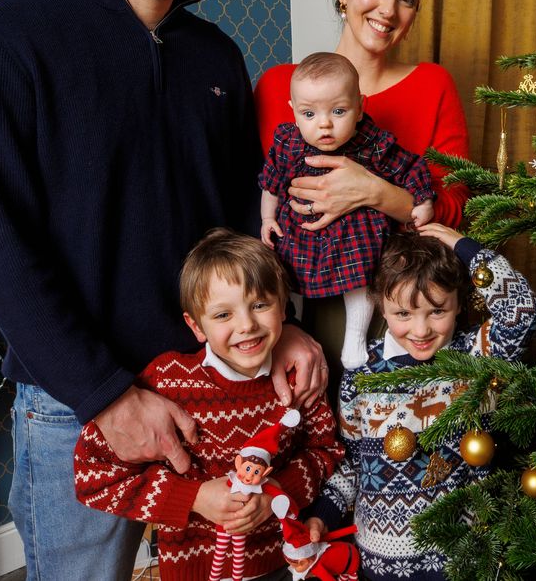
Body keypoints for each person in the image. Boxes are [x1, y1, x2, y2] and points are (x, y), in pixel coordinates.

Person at [0, 0, 327, 579]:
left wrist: (282, 328)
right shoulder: (5, 36)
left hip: (215, 378)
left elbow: (239, 236)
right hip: (75, 406)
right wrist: (107, 395)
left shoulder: (215, 57)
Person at [254, 0, 470, 369]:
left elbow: (454, 210)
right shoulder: (278, 87)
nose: (388, 10)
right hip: (299, 299)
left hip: (405, 308)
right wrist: (284, 323)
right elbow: (262, 206)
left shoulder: (433, 85)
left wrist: (373, 191)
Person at [75, 229, 343, 581]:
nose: (246, 325)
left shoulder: (296, 379)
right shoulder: (168, 382)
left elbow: (327, 452)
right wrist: (194, 497)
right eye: (222, 315)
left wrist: (278, 492)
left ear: (282, 305)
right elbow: (91, 475)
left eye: (260, 305)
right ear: (195, 325)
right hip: (195, 569)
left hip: (286, 563)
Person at [302, 224, 536, 581]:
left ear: (459, 302)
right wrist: (324, 512)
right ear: (380, 306)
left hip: (462, 561)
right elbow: (353, 462)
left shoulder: (473, 356)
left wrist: (465, 248)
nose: (420, 330)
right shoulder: (361, 372)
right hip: (379, 565)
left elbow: (522, 312)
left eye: (436, 311)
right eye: (403, 314)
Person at [261, 52, 434, 369]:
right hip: (299, 235)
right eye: (309, 114)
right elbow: (271, 182)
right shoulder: (288, 143)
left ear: (360, 108)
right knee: (284, 276)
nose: (324, 123)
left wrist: (422, 200)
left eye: (338, 111)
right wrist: (268, 218)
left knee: (361, 276)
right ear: (294, 113)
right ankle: (291, 325)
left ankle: (355, 339)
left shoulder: (372, 143)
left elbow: (410, 168)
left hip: (353, 236)